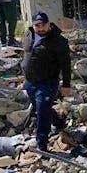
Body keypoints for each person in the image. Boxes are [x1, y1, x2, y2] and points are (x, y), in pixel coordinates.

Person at [20, 12, 71, 151]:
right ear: (33, 25)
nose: (41, 28)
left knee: (41, 112)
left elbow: (66, 64)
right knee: (39, 108)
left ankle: (41, 144)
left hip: (47, 82)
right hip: (30, 82)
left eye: (43, 25)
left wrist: (66, 84)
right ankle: (59, 122)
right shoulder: (28, 34)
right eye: (37, 25)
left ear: (49, 24)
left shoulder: (58, 41)